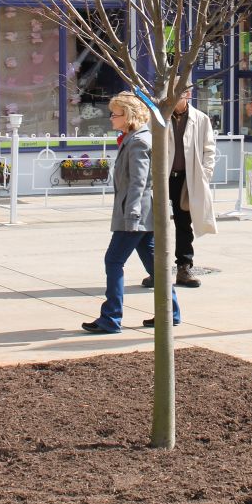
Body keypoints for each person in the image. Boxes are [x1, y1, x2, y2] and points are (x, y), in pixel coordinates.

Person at [82, 92, 180, 334]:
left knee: (113, 260)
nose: (111, 119)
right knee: (156, 264)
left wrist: (132, 215)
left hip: (136, 213)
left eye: (114, 114)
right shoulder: (137, 138)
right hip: (143, 213)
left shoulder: (138, 141)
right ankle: (171, 313)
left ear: (127, 116)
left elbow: (140, 181)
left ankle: (111, 318)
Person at [144, 81, 217, 289]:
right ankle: (156, 270)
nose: (174, 98)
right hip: (162, 178)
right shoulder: (158, 116)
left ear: (189, 94)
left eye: (179, 93)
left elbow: (209, 149)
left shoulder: (200, 119)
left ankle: (184, 267)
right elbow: (148, 145)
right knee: (157, 224)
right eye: (171, 93)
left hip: (187, 179)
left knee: (184, 224)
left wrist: (205, 174)